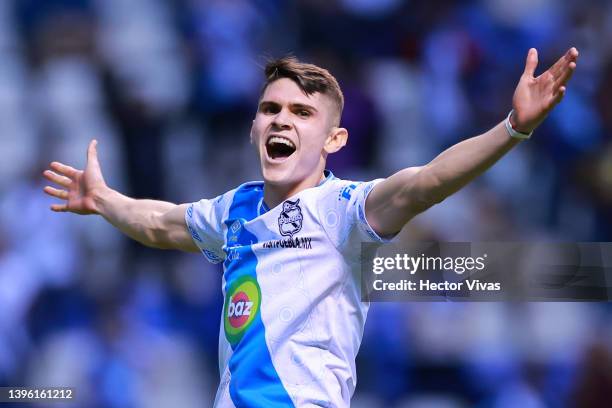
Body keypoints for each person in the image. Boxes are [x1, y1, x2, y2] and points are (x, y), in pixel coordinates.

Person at [43, 48, 579, 407]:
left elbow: (426, 182)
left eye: (302, 113)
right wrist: (106, 200)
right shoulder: (235, 210)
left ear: (334, 141)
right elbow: (161, 225)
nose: (281, 120)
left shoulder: (344, 209)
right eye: (271, 109)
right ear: (254, 127)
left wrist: (512, 129)